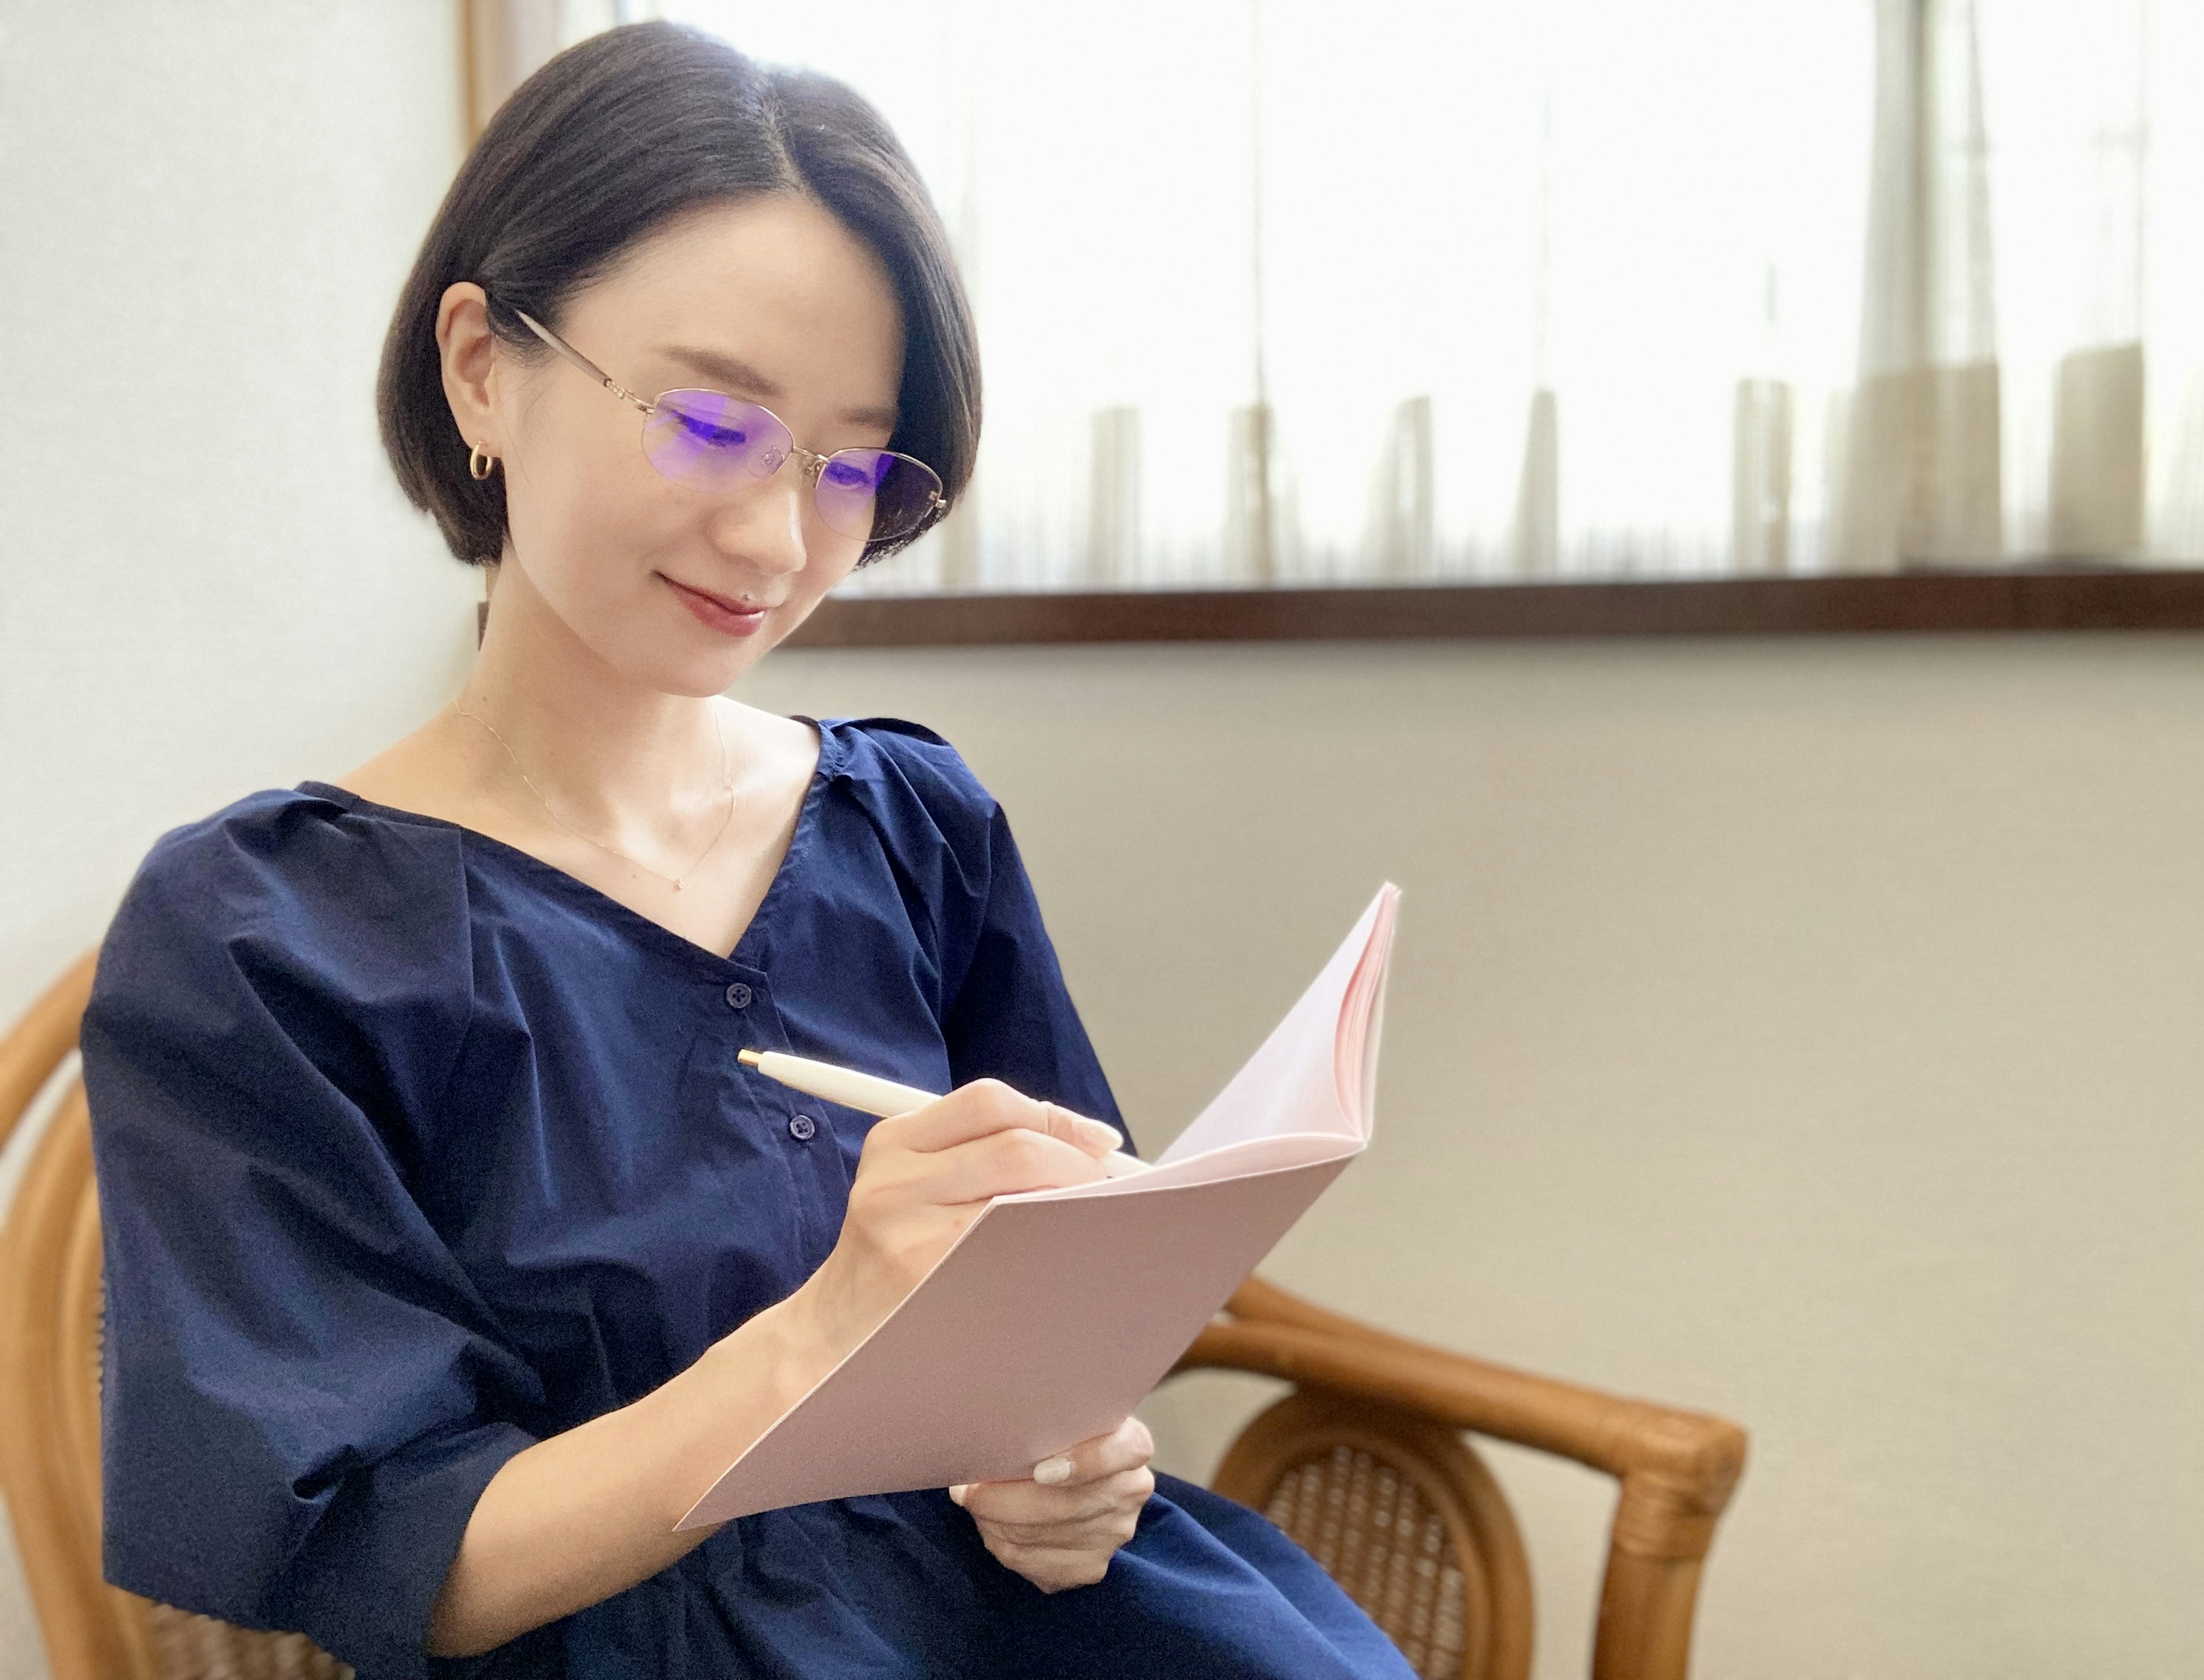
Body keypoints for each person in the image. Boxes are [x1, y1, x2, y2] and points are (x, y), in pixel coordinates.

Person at [80, 22, 1413, 1680]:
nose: (783, 542)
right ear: (485, 365)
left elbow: (1061, 1336)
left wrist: (1069, 1474)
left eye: (852, 464)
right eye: (713, 425)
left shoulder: (911, 828)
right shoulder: (267, 939)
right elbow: (393, 1562)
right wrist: (825, 1342)